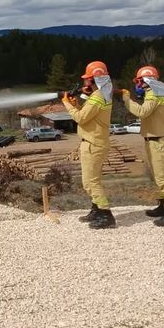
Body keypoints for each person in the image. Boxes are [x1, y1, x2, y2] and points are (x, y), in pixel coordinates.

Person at [120, 65, 164, 226]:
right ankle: (162, 205)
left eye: (139, 82)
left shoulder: (153, 94)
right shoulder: (155, 94)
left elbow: (142, 112)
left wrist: (127, 99)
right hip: (153, 140)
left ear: (147, 80)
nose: (138, 85)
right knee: (157, 176)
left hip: (158, 141)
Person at [62, 60, 116, 229]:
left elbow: (80, 118)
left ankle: (106, 215)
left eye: (88, 79)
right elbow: (87, 114)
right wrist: (76, 103)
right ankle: (96, 210)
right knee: (95, 180)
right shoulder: (102, 94)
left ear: (94, 80)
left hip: (93, 144)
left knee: (90, 182)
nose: (85, 81)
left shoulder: (98, 97)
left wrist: (66, 104)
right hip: (97, 142)